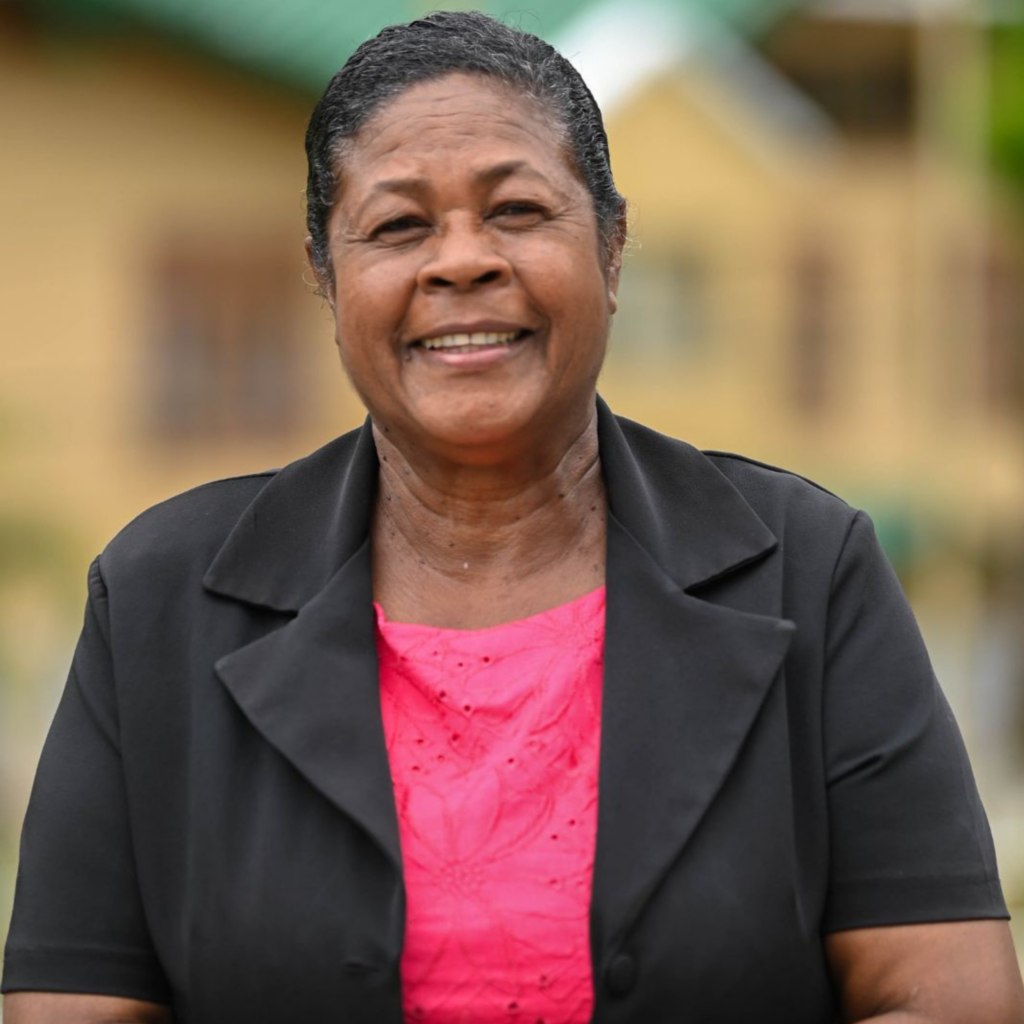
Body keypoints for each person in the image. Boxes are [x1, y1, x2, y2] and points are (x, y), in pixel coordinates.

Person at [3, 10, 1023, 1024]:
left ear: (613, 248)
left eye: (519, 211)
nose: (461, 261)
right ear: (324, 274)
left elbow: (948, 997)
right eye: (399, 225)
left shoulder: (805, 567)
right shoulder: (160, 598)